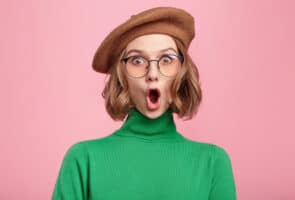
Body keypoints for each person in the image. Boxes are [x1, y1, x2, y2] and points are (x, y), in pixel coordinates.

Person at [52, 7, 237, 200]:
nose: (153, 74)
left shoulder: (213, 162)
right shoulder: (83, 160)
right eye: (138, 60)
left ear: (181, 73)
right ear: (122, 76)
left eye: (167, 59)